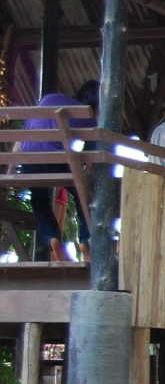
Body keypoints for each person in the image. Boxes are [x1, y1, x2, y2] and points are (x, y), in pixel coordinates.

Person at [16, 81, 98, 262]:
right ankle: (86, 241)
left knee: (40, 200)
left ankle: (52, 238)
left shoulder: (48, 98)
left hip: (29, 164)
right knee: (82, 196)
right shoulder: (88, 116)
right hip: (58, 163)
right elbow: (90, 157)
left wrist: (10, 167)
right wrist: (87, 180)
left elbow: (23, 135)